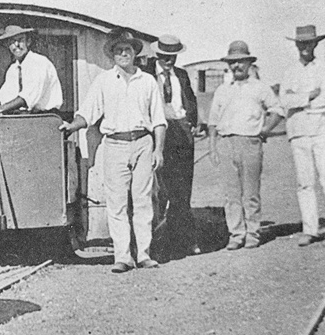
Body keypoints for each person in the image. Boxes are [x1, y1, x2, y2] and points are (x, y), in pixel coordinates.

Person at [60, 28, 167, 273]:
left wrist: (158, 150)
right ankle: (122, 257)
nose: (123, 54)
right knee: (117, 203)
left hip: (143, 143)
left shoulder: (147, 81)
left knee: (142, 201)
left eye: (127, 50)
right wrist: (71, 126)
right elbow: (87, 113)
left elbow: (159, 120)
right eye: (118, 51)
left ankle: (144, 254)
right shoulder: (104, 81)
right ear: (113, 55)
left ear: (134, 53)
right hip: (114, 145)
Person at [208, 41, 283, 250]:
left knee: (250, 192)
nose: (236, 66)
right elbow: (212, 122)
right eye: (232, 62)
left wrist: (265, 130)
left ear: (249, 63)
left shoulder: (260, 88)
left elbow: (278, 110)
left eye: (240, 61)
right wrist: (212, 147)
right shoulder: (222, 90)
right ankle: (236, 233)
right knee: (231, 194)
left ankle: (253, 232)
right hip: (226, 142)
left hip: (250, 142)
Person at [143, 34, 201, 256]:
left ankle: (183, 240)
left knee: (182, 190)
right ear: (158, 54)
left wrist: (193, 123)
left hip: (181, 133)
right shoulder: (146, 75)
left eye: (172, 56)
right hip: (158, 133)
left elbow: (190, 101)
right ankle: (157, 244)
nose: (169, 61)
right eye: (165, 56)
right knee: (159, 191)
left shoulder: (182, 75)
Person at [279, 25, 325, 246]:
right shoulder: (289, 72)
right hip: (298, 132)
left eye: (308, 43)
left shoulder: (323, 69)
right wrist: (308, 96)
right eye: (300, 43)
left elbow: (322, 100)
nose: (304, 47)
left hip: (321, 130)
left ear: (315, 43)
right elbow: (284, 101)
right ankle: (310, 229)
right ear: (296, 45)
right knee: (304, 182)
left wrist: (297, 98)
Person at [0, 25, 63, 125]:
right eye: (12, 41)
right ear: (8, 45)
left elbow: (25, 99)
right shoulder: (13, 69)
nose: (16, 44)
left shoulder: (39, 63)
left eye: (20, 40)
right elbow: (2, 101)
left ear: (28, 42)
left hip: (46, 120)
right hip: (26, 121)